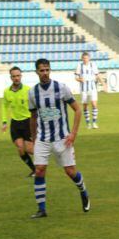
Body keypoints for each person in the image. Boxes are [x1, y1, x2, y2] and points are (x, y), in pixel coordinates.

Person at [28, 58, 89, 219]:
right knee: (40, 170)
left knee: (70, 172)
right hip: (42, 139)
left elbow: (77, 110)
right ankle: (41, 209)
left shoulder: (61, 88)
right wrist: (34, 138)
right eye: (42, 70)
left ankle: (83, 190)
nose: (45, 73)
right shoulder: (32, 92)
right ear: (37, 72)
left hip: (62, 138)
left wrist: (73, 133)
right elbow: (33, 117)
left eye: (47, 70)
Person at [1, 67, 35, 175]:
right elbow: (4, 106)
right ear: (11, 77)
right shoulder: (7, 92)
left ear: (21, 76)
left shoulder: (28, 90)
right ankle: (34, 170)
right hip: (15, 123)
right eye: (14, 76)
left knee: (30, 150)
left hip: (27, 122)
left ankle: (44, 157)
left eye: (18, 75)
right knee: (20, 148)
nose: (16, 78)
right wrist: (4, 122)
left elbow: (36, 106)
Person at [74, 52, 104, 129]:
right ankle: (88, 123)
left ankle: (94, 122)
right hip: (84, 89)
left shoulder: (93, 65)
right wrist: (80, 79)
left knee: (94, 104)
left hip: (93, 88)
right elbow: (76, 77)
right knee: (85, 106)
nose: (85, 59)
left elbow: (97, 75)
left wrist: (104, 84)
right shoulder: (79, 66)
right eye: (84, 58)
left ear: (89, 58)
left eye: (86, 58)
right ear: (82, 59)